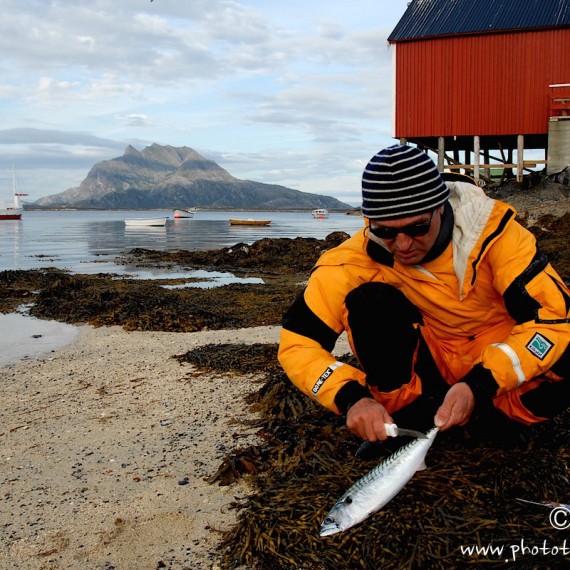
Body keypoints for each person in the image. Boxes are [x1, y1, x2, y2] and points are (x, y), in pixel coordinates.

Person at [278, 144, 570, 451]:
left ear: (441, 207)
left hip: (497, 371)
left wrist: (479, 385)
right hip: (430, 366)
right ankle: (407, 418)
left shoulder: (498, 237)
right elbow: (298, 343)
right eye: (385, 231)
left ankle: (502, 419)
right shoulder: (353, 261)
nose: (403, 244)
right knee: (370, 304)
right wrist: (350, 398)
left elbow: (553, 320)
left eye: (417, 227)